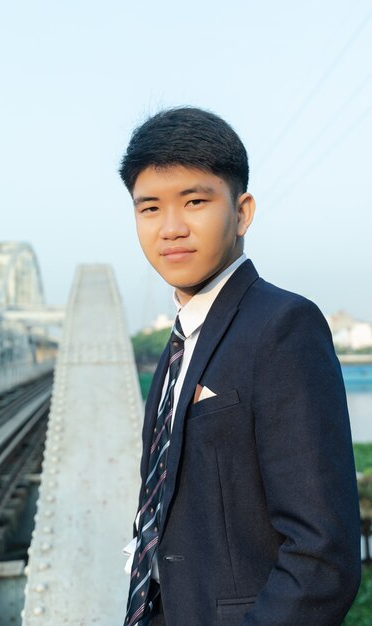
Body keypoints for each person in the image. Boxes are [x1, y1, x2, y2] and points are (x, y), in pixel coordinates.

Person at [119, 107, 361, 626]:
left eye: (196, 201)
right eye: (150, 208)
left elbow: (321, 558)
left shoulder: (283, 326)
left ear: (242, 211)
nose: (172, 228)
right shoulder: (178, 345)